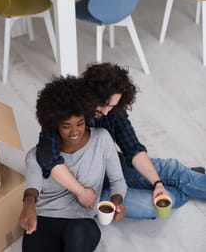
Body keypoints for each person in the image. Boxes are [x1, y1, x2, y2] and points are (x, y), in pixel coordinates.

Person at [36, 62, 206, 220]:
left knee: (172, 169)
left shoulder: (113, 112)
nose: (106, 111)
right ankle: (186, 183)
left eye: (111, 106)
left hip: (113, 167)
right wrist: (81, 192)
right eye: (103, 104)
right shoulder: (65, 107)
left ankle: (181, 180)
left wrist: (158, 183)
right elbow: (47, 158)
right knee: (150, 206)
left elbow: (132, 148)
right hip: (83, 187)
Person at [20, 76, 127, 252]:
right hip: (45, 220)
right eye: (66, 126)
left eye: (80, 123)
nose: (75, 131)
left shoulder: (101, 139)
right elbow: (32, 189)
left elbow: (118, 180)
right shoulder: (37, 154)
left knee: (77, 234)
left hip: (81, 223)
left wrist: (116, 202)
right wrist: (28, 205)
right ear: (54, 125)